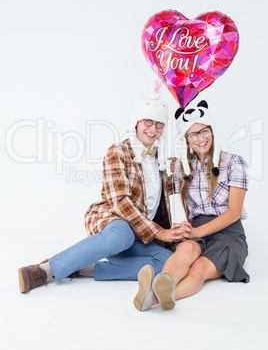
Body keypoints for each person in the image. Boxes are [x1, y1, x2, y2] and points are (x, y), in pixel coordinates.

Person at [18, 80, 191, 293]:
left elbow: (171, 190)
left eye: (158, 124)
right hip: (114, 222)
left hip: (140, 233)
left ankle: (83, 269)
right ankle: (44, 270)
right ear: (137, 122)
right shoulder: (117, 152)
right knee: (122, 235)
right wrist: (159, 232)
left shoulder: (161, 160)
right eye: (148, 121)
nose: (153, 129)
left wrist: (184, 165)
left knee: (170, 262)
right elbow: (120, 203)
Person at [133, 100, 249, 311]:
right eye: (193, 134)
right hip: (196, 229)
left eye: (204, 131)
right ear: (186, 139)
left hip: (228, 233)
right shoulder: (182, 167)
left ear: (212, 131)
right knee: (185, 248)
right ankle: (162, 282)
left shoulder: (233, 162)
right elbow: (159, 192)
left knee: (199, 267)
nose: (200, 138)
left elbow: (233, 213)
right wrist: (159, 164)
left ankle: (153, 298)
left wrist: (195, 230)